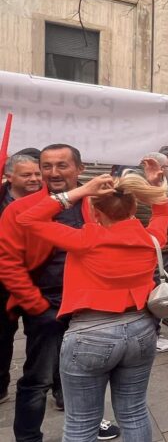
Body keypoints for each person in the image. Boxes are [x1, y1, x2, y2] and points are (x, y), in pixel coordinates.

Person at [18, 168, 168, 442]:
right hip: (141, 327)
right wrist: (156, 185)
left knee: (80, 424)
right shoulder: (151, 240)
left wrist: (81, 191)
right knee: (134, 412)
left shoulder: (84, 239)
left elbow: (27, 219)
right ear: (134, 206)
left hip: (90, 332)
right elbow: (161, 214)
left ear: (96, 212)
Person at [0, 144, 120, 441]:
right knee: (37, 379)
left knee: (89, 374)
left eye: (62, 165)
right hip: (47, 307)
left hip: (90, 306)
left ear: (80, 169)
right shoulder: (21, 209)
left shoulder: (99, 203)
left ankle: (88, 422)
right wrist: (37, 306)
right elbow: (7, 263)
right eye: (47, 166)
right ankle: (28, 437)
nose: (53, 172)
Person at [129, 152, 168, 353]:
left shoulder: (127, 184)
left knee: (138, 293)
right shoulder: (161, 188)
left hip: (132, 244)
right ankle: (153, 335)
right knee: (157, 293)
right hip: (161, 245)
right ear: (161, 169)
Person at [0, 154, 42, 404]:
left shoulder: (52, 199)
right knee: (2, 336)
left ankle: (54, 387)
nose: (35, 179)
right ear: (9, 176)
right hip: (4, 282)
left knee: (44, 336)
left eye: (37, 173)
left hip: (40, 280)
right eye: (27, 175)